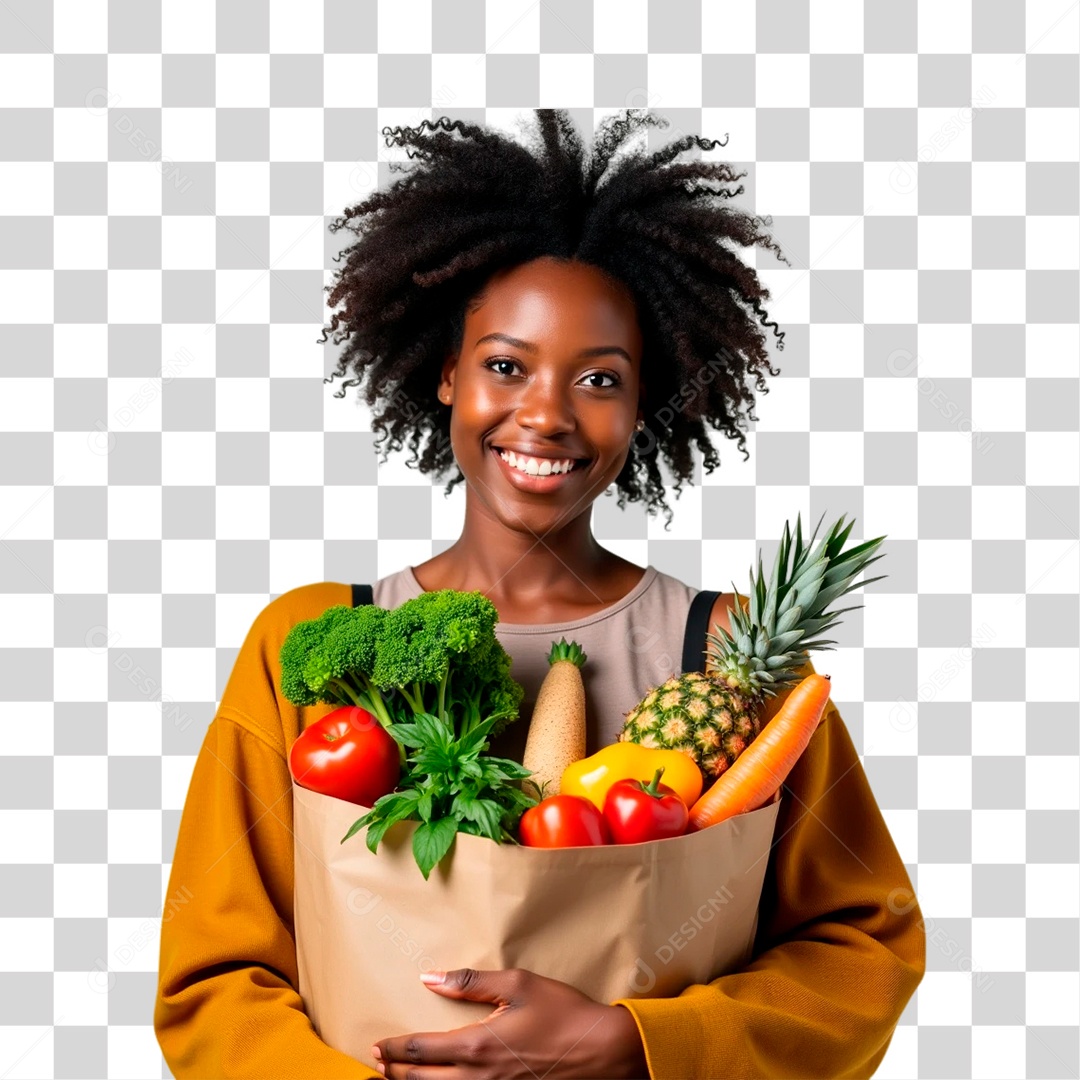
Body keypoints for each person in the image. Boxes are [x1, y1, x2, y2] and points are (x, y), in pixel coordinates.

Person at [155, 109, 925, 1079]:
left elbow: (867, 941)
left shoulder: (729, 657)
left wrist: (637, 1046)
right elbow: (212, 975)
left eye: (599, 378)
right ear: (446, 375)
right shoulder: (311, 638)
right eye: (506, 366)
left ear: (645, 404)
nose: (547, 415)